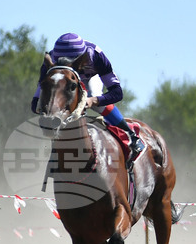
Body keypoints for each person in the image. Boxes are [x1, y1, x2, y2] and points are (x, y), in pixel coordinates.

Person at [31, 33, 146, 163]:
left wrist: (93, 101)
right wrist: (42, 107)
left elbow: (117, 92)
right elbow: (38, 95)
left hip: (90, 78)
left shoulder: (96, 56)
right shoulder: (50, 59)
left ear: (82, 60)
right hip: (64, 82)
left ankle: (131, 135)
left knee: (94, 95)